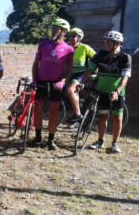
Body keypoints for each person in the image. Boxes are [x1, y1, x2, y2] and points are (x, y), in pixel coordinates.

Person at [76, 31, 131, 153]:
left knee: (117, 118)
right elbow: (90, 69)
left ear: (117, 43)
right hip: (102, 91)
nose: (106, 44)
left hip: (117, 92)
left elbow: (125, 78)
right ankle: (100, 141)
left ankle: (115, 143)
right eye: (105, 41)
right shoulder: (101, 54)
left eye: (109, 42)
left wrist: (117, 91)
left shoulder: (125, 57)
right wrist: (82, 82)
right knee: (102, 116)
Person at [27, 18, 74, 150]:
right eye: (52, 28)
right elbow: (36, 64)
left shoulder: (69, 49)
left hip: (56, 84)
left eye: (56, 29)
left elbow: (69, 70)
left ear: (64, 32)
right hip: (41, 81)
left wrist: (62, 81)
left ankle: (51, 140)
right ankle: (38, 136)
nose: (53, 30)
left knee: (54, 111)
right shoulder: (43, 44)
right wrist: (34, 80)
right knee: (37, 110)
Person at [65, 28, 96, 128]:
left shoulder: (84, 47)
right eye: (70, 36)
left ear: (79, 38)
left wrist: (96, 71)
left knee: (70, 90)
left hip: (81, 74)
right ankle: (76, 120)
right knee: (72, 95)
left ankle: (78, 114)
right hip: (70, 74)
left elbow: (97, 58)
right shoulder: (67, 48)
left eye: (74, 36)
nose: (71, 38)